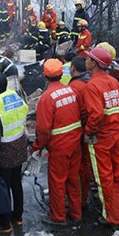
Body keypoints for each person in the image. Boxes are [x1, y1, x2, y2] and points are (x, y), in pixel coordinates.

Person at [83, 48, 119, 227]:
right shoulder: (113, 81)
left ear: (95, 64)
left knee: (104, 179)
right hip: (115, 135)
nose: (86, 60)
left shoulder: (92, 85)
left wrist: (89, 132)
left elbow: (96, 114)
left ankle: (112, 218)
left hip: (101, 138)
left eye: (89, 58)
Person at [31, 59, 82, 226]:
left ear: (45, 76)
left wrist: (37, 146)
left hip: (60, 146)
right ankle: (76, 213)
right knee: (73, 179)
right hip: (75, 142)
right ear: (61, 74)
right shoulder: (71, 90)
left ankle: (58, 217)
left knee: (57, 182)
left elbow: (44, 129)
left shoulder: (46, 98)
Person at [0, 72, 28, 234]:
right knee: (16, 184)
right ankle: (18, 216)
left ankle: (4, 223)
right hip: (19, 148)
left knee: (3, 189)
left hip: (5, 153)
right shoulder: (14, 96)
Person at [67, 56, 91, 206]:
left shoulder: (76, 87)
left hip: (82, 131)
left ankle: (79, 200)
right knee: (86, 164)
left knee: (80, 166)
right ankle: (83, 196)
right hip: (91, 129)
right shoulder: (90, 81)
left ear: (73, 69)